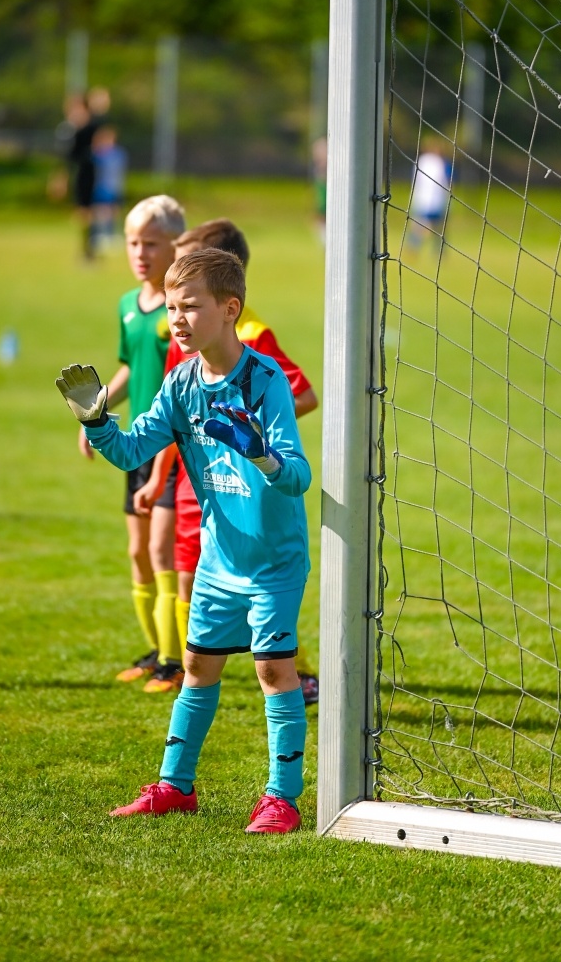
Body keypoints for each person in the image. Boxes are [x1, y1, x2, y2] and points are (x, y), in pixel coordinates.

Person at [56, 247, 311, 833]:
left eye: (190, 306)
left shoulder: (265, 382)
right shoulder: (181, 382)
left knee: (274, 672)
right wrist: (96, 420)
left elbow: (298, 477)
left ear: (230, 309)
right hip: (220, 562)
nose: (177, 318)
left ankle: (282, 799)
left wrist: (264, 456)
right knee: (197, 666)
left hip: (273, 562)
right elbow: (129, 451)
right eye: (171, 307)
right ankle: (175, 787)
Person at [132, 218, 321, 705]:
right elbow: (180, 415)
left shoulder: (252, 336)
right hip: (194, 476)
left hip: (249, 491)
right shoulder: (182, 336)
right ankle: (176, 663)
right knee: (181, 567)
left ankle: (296, 673)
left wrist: (249, 439)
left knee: (258, 602)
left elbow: (302, 394)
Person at [79, 194, 186, 690]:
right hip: (133, 444)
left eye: (151, 243)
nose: (140, 252)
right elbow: (128, 367)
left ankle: (176, 659)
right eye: (132, 242)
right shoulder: (129, 304)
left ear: (175, 246)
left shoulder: (181, 307)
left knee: (164, 551)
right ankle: (155, 651)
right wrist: (94, 414)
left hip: (170, 447)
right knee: (138, 551)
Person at [59, 87, 111, 261]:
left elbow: (103, 142)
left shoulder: (91, 127)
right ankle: (88, 249)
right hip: (80, 175)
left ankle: (90, 249)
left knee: (90, 213)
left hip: (92, 174)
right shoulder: (71, 130)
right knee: (84, 214)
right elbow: (67, 158)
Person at [408, 135, 451, 250]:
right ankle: (414, 247)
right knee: (428, 226)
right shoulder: (437, 162)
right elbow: (445, 180)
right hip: (432, 200)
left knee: (432, 226)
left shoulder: (422, 160)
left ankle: (434, 249)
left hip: (424, 199)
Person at [91, 123, 128, 250]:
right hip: (101, 187)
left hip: (114, 186)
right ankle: (100, 234)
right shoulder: (98, 154)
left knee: (113, 211)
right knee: (101, 211)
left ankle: (111, 235)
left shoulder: (118, 154)